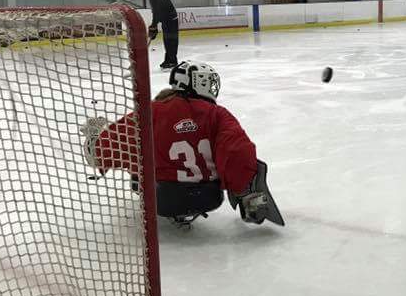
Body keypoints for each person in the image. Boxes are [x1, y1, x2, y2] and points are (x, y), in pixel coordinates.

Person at [83, 60, 284, 227]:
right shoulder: (217, 114)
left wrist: (96, 142)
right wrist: (240, 188)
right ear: (198, 83)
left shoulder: (152, 111)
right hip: (208, 197)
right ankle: (250, 199)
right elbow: (237, 152)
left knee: (139, 153)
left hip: (161, 200)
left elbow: (105, 150)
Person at [137, 0, 180, 69]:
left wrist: (153, 26)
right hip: (166, 19)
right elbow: (156, 11)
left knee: (171, 41)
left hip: (171, 20)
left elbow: (157, 12)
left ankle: (172, 61)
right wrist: (154, 25)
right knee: (167, 40)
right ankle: (168, 60)